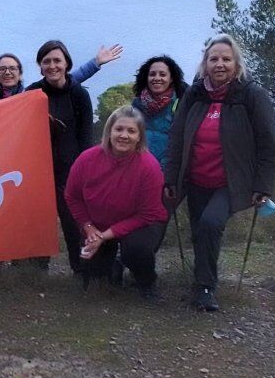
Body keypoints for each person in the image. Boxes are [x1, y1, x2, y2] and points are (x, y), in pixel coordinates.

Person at [163, 34, 275, 313]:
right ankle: (200, 280)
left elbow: (269, 143)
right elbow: (177, 138)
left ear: (236, 64)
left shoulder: (252, 95)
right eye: (213, 58)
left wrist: (263, 186)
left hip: (232, 182)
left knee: (210, 223)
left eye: (226, 59)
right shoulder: (194, 95)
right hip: (196, 179)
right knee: (199, 232)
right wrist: (171, 177)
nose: (219, 64)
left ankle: (205, 288)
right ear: (205, 63)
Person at [65, 106, 168, 298]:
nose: (124, 135)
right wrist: (89, 228)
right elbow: (72, 196)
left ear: (140, 137)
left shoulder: (149, 167)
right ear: (109, 132)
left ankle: (146, 282)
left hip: (141, 224)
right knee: (93, 275)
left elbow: (147, 214)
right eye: (119, 129)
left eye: (131, 131)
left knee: (136, 249)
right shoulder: (86, 159)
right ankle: (114, 265)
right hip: (98, 224)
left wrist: (104, 236)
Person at [27, 39, 94, 275]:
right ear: (40, 66)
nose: (52, 66)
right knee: (38, 220)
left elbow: (86, 136)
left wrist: (85, 172)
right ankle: (36, 270)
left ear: (67, 64)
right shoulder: (32, 93)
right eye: (46, 61)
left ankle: (81, 268)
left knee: (73, 221)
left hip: (71, 169)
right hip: (39, 168)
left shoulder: (79, 94)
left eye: (57, 60)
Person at [0, 44, 125, 106]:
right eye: (2, 69)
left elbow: (68, 78)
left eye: (12, 68)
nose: (7, 72)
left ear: (20, 73)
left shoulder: (30, 94)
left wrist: (95, 63)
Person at [130, 55, 188, 171]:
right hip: (139, 167)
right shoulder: (137, 104)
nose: (157, 78)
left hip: (169, 169)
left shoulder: (182, 102)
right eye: (152, 74)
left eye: (162, 74)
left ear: (171, 78)